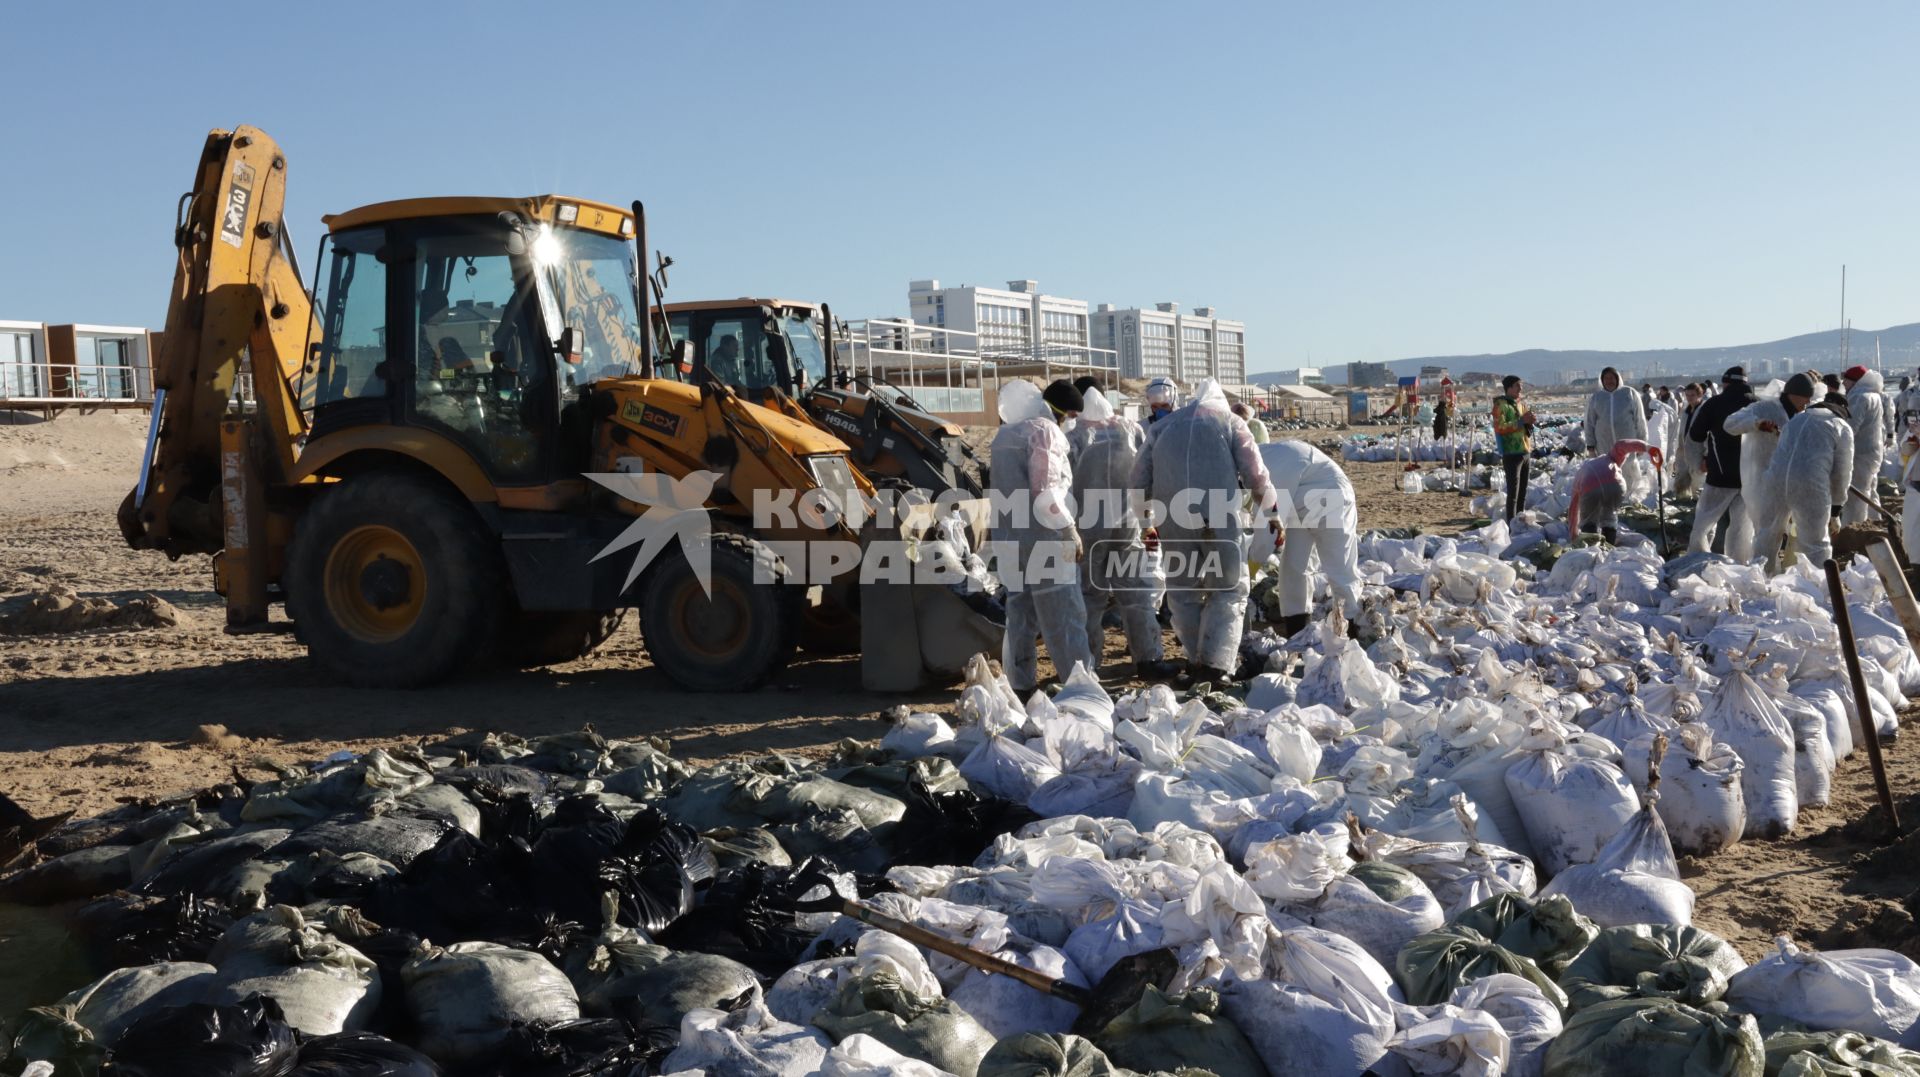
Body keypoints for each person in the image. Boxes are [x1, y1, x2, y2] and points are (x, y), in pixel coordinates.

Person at [1133, 379, 1278, 685]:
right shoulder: (1230, 422)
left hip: (1172, 520)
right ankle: (1214, 665)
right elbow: (1256, 473)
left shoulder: (1162, 429)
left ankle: (1197, 658)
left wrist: (1145, 520)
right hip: (1218, 517)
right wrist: (1273, 513)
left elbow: (1138, 480)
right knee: (1227, 589)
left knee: (1183, 591)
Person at [988, 379, 1094, 693]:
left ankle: (1020, 684)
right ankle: (1081, 687)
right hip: (1044, 538)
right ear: (1065, 411)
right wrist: (1067, 528)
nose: (1072, 420)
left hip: (1010, 538)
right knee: (1065, 615)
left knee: (1020, 615)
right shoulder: (1045, 432)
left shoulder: (1005, 434)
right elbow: (1044, 490)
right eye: (1073, 414)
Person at [1070, 388, 1180, 679]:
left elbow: (1063, 484)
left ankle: (1087, 665)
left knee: (1088, 598)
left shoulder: (1076, 436)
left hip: (1089, 529)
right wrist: (1148, 521)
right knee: (1135, 594)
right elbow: (1147, 470)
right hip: (1127, 525)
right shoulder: (1128, 429)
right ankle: (1148, 659)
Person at [1750, 372, 1854, 572]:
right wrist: (1837, 508)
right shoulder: (1840, 426)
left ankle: (1759, 579)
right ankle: (1816, 588)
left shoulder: (1797, 420)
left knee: (1768, 533)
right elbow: (1842, 473)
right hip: (1810, 486)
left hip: (1776, 481)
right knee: (1815, 542)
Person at [1258, 439, 1361, 639]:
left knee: (1339, 569)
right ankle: (1298, 635)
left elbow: (1265, 528)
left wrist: (1249, 565)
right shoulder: (1264, 457)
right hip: (1302, 502)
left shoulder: (1266, 466)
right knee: (1294, 569)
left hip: (1332, 498)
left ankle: (1351, 634)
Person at [1685, 366, 1755, 559]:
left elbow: (1694, 436)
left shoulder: (1715, 404)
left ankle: (1697, 560)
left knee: (1704, 523)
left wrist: (1697, 464)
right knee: (1742, 528)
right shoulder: (1757, 405)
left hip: (1720, 475)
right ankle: (1738, 566)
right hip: (1750, 478)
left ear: (1725, 383)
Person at [1569, 439, 1661, 545]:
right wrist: (1648, 448)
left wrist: (1573, 535)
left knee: (1589, 519)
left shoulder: (1580, 473)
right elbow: (1623, 445)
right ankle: (1609, 546)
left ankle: (1591, 548)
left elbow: (1574, 509)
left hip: (1590, 485)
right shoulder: (1610, 458)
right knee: (1609, 516)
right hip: (1616, 484)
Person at [1841, 365, 1888, 524]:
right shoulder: (1874, 395)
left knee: (1856, 496)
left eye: (1845, 381)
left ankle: (1856, 529)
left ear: (1854, 381)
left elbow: (1850, 428)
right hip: (1873, 452)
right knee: (1870, 490)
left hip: (1860, 454)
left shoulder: (1859, 397)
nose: (1843, 384)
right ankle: (1876, 523)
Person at [1492, 375, 1536, 522]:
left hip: (1525, 451)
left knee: (1523, 492)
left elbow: (1523, 424)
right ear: (1509, 388)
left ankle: (1520, 520)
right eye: (1517, 385)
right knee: (1513, 493)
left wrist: (1529, 422)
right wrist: (1522, 421)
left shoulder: (1521, 404)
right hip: (1511, 453)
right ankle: (1511, 524)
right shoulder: (1501, 405)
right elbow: (1500, 427)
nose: (1520, 388)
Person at [1672, 383, 1706, 497]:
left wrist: (1706, 456)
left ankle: (1697, 506)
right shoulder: (1686, 411)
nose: (1689, 398)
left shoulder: (1704, 410)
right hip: (1684, 452)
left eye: (1692, 395)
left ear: (1699, 395)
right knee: (1681, 482)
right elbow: (1681, 433)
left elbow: (1707, 435)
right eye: (1687, 395)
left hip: (1698, 452)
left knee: (1698, 483)